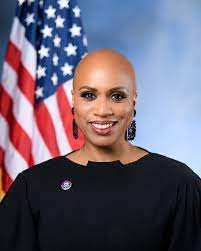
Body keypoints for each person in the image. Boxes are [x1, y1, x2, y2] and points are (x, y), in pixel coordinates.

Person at [0, 48, 201, 251]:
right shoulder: (32, 187)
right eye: (89, 95)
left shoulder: (178, 185)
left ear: (134, 100)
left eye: (117, 96)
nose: (103, 110)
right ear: (73, 100)